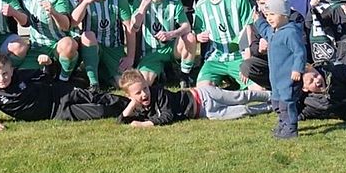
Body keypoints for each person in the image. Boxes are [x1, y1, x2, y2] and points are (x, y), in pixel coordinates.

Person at [0, 53, 127, 131]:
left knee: (92, 97)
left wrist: (49, 64)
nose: (2, 78)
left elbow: (48, 76)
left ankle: (130, 103)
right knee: (99, 111)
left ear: (12, 71)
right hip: (56, 112)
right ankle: (126, 112)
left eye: (5, 73)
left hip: (59, 93)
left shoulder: (22, 75)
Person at [5, 0, 80, 81]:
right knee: (23, 78)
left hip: (57, 46)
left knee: (69, 44)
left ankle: (63, 79)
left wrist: (54, 12)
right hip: (37, 47)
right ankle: (48, 69)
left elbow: (66, 25)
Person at [116, 68, 270, 126]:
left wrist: (145, 124)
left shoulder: (159, 93)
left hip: (203, 94)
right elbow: (121, 121)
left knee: (240, 96)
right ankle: (271, 107)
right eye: (138, 93)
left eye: (145, 88)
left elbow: (167, 116)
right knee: (242, 111)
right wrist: (131, 105)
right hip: (205, 112)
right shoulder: (137, 107)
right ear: (129, 95)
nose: (144, 94)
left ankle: (272, 95)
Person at [71, 0, 136, 91]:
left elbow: (129, 28)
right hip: (92, 47)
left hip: (113, 47)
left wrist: (130, 57)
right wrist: (86, 2)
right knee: (88, 35)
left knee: (124, 85)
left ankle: (103, 74)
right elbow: (73, 22)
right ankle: (94, 84)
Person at [252, 0, 306, 139]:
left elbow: (300, 52)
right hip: (276, 78)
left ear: (284, 15)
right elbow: (265, 31)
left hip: (289, 78)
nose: (269, 18)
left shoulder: (290, 32)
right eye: (267, 15)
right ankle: (282, 124)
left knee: (286, 103)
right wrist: (258, 21)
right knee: (276, 102)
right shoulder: (273, 31)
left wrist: (297, 69)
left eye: (273, 14)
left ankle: (290, 128)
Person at [130, 0, 196, 84]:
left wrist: (171, 34)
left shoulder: (174, 0)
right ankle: (162, 73)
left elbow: (186, 26)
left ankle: (184, 75)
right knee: (144, 82)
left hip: (171, 47)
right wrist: (143, 7)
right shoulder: (139, 0)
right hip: (151, 51)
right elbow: (134, 27)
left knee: (190, 37)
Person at [192, 0, 252, 89]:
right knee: (203, 89)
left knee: (258, 90)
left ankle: (234, 84)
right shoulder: (201, 5)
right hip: (216, 57)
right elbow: (197, 31)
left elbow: (249, 27)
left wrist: (248, 59)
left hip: (239, 56)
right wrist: (198, 37)